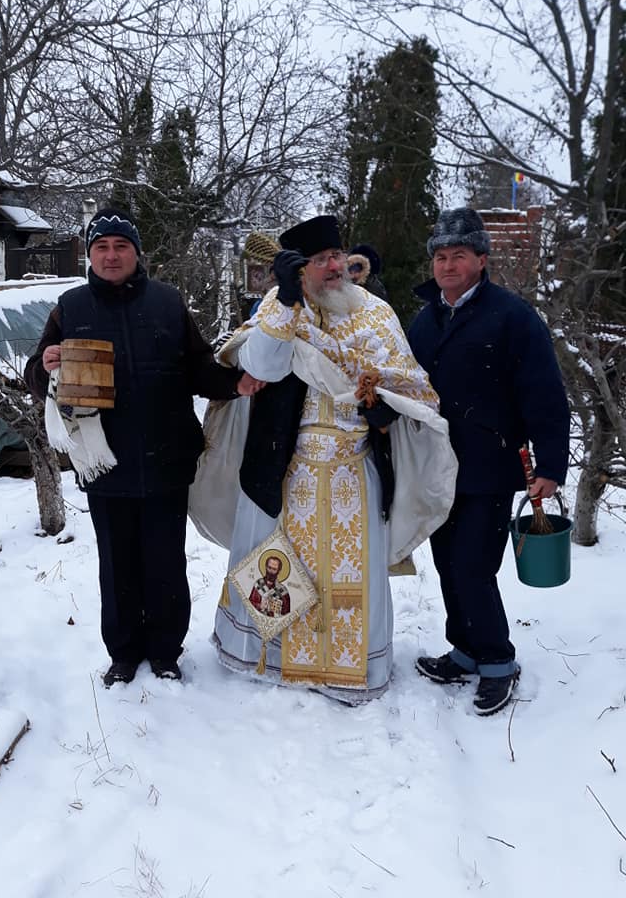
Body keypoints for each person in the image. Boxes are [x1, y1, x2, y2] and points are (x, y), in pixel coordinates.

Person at [199, 214, 457, 704]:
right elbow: (261, 366)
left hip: (353, 471)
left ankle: (346, 666)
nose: (334, 266)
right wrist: (287, 305)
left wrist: (386, 409)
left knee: (349, 573)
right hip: (286, 467)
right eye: (320, 261)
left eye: (336, 256)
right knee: (280, 567)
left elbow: (408, 387)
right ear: (299, 271)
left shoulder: (375, 313)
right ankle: (275, 661)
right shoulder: (279, 310)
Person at [24, 206, 263, 687]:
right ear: (90, 255)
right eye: (101, 247)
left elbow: (198, 367)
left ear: (137, 253)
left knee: (165, 560)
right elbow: (35, 374)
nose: (111, 256)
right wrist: (44, 362)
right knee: (117, 564)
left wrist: (237, 383)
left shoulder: (168, 303)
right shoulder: (70, 308)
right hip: (103, 461)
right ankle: (124, 652)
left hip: (165, 456)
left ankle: (165, 651)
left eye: (121, 246)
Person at [407, 207, 570, 716]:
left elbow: (544, 393)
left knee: (474, 566)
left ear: (481, 259)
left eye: (458, 255)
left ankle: (498, 660)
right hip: (435, 467)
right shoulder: (424, 319)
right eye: (439, 256)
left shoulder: (513, 317)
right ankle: (465, 651)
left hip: (489, 464)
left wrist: (550, 467)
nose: (447, 265)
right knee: (447, 563)